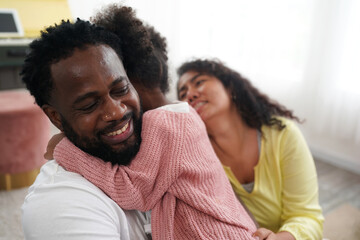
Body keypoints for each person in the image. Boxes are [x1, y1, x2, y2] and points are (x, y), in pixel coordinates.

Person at [21, 13, 257, 240]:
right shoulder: (58, 202)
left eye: (121, 89)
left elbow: (130, 190)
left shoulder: (164, 125)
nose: (116, 111)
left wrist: (65, 150)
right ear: (55, 117)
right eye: (90, 104)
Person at [177, 59, 324, 240]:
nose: (190, 95)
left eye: (199, 82)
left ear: (229, 88)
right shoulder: (196, 156)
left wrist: (279, 238)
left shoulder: (282, 134)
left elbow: (307, 217)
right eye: (183, 94)